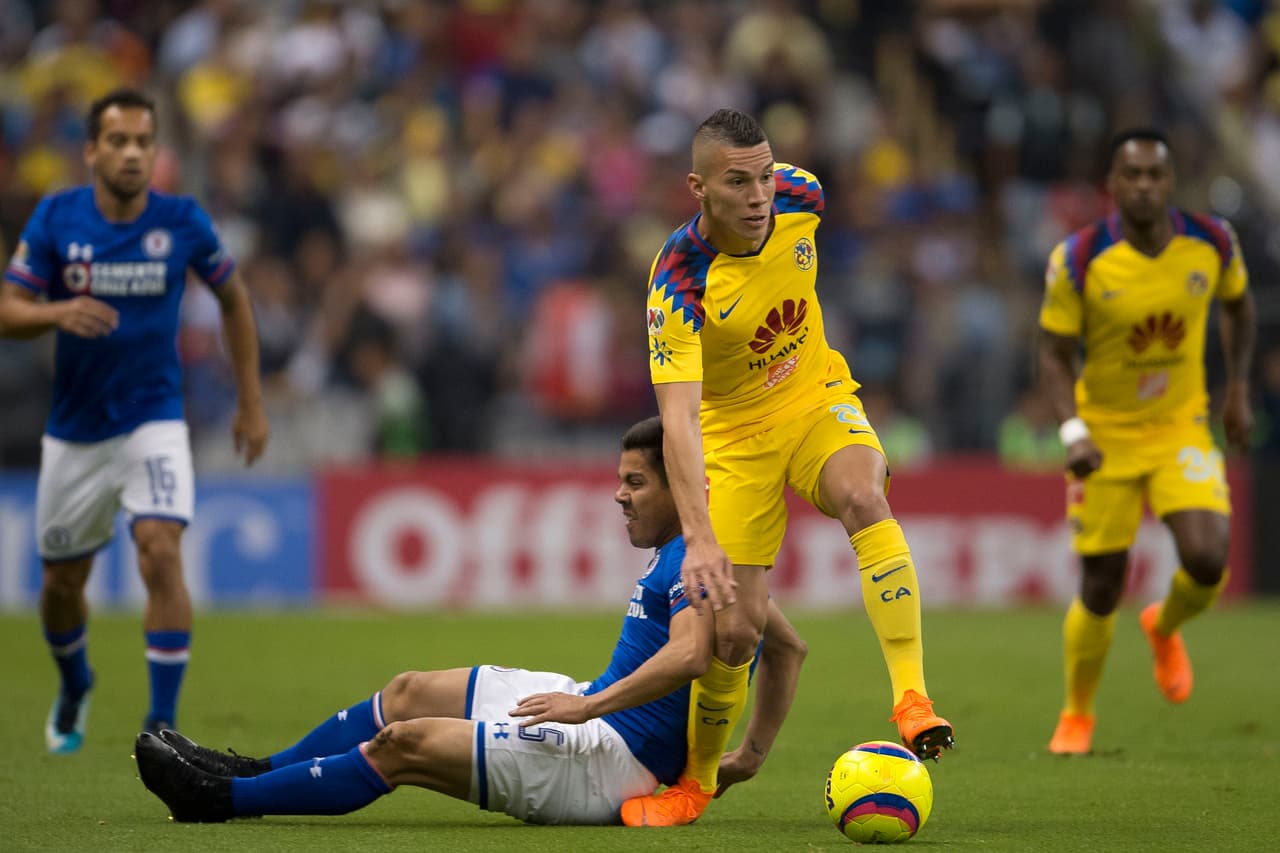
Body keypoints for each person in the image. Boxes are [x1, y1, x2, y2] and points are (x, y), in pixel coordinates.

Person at [132, 416, 808, 825]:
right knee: (407, 690)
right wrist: (746, 755)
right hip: (595, 713)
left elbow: (691, 656)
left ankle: (218, 800)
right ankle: (252, 769)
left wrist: (589, 704)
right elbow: (788, 648)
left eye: (636, 482)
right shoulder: (714, 560)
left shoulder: (699, 559)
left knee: (404, 744)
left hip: (608, 762)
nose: (618, 494)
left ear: (679, 485)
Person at [627, 108, 953, 827]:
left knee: (864, 496)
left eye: (765, 176)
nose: (758, 196)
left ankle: (911, 696)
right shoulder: (677, 281)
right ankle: (699, 783)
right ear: (697, 188)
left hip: (814, 399)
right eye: (737, 181)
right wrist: (700, 534)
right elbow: (678, 420)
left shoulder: (802, 195)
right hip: (733, 442)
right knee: (736, 632)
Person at [0, 88, 269, 753]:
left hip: (154, 417)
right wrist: (57, 312)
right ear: (91, 151)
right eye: (117, 141)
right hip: (75, 432)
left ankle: (161, 720)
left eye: (142, 142)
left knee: (160, 547)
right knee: (62, 587)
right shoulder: (56, 218)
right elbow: (9, 310)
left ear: (156, 151)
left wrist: (250, 399)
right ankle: (74, 680)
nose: (131, 153)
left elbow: (234, 298)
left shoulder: (181, 221)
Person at [1038, 127, 1255, 755]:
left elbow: (1239, 308)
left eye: (1154, 175)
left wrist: (1237, 388)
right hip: (1103, 433)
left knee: (1209, 558)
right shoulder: (1079, 258)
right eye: (1130, 175)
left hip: (1178, 423)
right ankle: (1077, 714)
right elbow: (1052, 353)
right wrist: (1072, 431)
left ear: (1171, 181)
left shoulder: (1212, 242)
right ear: (1112, 185)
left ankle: (1166, 624)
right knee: (1102, 583)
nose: (1143, 186)